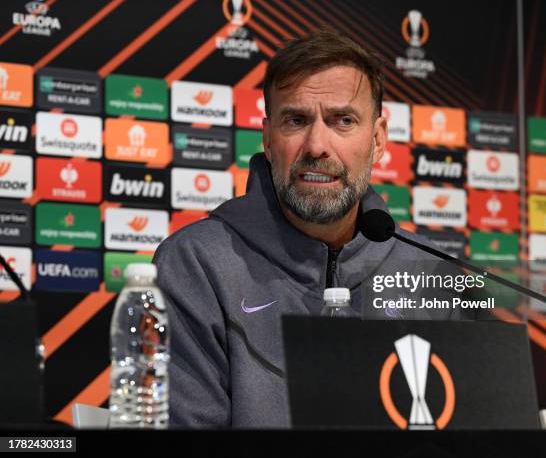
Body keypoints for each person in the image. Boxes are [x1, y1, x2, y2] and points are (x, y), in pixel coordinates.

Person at [153, 29, 469, 428]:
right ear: (268, 139)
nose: (317, 145)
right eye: (297, 120)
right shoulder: (197, 264)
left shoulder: (430, 270)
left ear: (377, 140)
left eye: (343, 121)